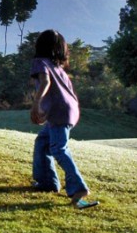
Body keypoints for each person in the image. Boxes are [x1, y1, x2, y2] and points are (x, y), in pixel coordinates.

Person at [30, 29, 99, 209]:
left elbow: (45, 83)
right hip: (69, 110)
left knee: (59, 149)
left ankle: (79, 188)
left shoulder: (40, 62)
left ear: (40, 46)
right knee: (43, 143)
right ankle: (47, 182)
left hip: (60, 113)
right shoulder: (59, 68)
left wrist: (36, 104)